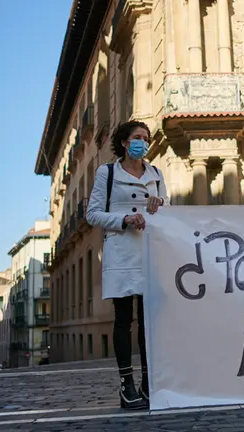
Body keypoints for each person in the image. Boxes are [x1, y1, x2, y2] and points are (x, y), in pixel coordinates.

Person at [86, 120, 168, 410]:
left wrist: (157, 207)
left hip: (148, 251)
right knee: (124, 319)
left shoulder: (156, 173)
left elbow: (166, 214)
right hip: (121, 252)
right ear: (124, 141)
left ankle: (148, 383)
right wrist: (123, 220)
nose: (142, 142)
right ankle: (126, 385)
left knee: (148, 321)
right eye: (137, 137)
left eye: (145, 138)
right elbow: (93, 214)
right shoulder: (107, 173)